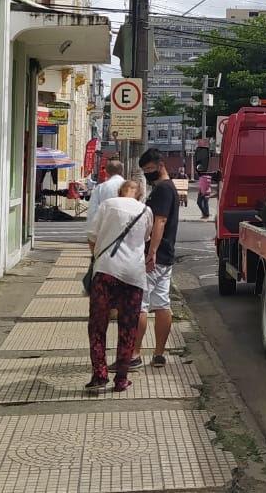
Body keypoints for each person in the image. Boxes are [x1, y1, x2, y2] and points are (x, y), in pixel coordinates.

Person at [85, 178, 153, 392]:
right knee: (127, 327)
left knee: (98, 325)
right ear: (140, 193)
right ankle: (121, 380)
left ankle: (99, 376)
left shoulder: (107, 205)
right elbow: (146, 237)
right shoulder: (145, 210)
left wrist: (97, 257)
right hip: (133, 274)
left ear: (119, 191)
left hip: (105, 272)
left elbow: (92, 238)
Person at [130, 148, 181, 369]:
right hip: (166, 255)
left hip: (155, 256)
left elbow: (159, 222)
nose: (148, 174)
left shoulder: (162, 190)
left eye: (150, 169)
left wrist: (151, 253)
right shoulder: (169, 188)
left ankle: (134, 354)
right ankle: (159, 354)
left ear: (161, 165)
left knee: (140, 305)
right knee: (161, 303)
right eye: (145, 171)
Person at [85, 159, 126, 233]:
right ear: (122, 172)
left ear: (106, 172)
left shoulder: (101, 187)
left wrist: (92, 231)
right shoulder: (129, 186)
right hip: (125, 226)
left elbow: (93, 210)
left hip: (105, 227)